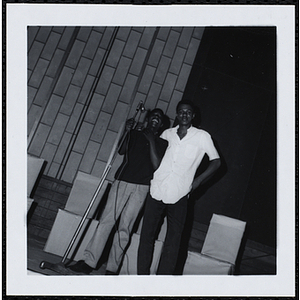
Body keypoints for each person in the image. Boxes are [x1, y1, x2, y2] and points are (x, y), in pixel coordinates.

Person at [67, 108, 168, 275]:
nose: (155, 118)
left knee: (125, 228)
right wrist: (127, 131)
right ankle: (89, 262)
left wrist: (151, 139)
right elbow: (121, 150)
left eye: (159, 117)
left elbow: (157, 166)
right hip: (122, 181)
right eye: (153, 116)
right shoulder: (135, 134)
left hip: (141, 187)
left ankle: (112, 269)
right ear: (148, 118)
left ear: (161, 124)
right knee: (106, 221)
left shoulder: (162, 143)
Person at [137, 100, 221, 275]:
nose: (184, 115)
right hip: (157, 190)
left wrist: (198, 182)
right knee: (146, 237)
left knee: (173, 242)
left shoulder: (202, 136)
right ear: (176, 114)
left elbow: (216, 161)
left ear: (193, 115)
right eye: (181, 112)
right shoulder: (167, 134)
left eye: (188, 112)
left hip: (180, 194)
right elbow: (156, 161)